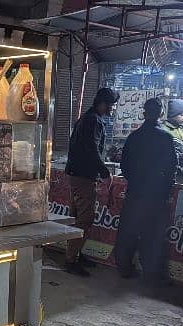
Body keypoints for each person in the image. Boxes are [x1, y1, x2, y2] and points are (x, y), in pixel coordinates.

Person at [115, 98, 178, 281]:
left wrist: (135, 181)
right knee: (152, 234)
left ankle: (125, 268)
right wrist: (165, 189)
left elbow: (124, 165)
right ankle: (151, 272)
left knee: (129, 231)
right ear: (160, 113)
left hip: (135, 192)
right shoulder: (165, 137)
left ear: (144, 113)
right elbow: (172, 167)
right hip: (156, 194)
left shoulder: (134, 137)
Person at [64, 87, 120, 276]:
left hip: (76, 174)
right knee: (84, 219)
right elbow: (92, 149)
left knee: (77, 218)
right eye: (111, 106)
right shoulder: (94, 120)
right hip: (84, 177)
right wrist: (104, 172)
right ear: (103, 104)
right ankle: (71, 260)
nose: (112, 110)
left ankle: (75, 254)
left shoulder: (87, 118)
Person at [161, 99, 183, 167]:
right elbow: (161, 155)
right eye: (182, 115)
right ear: (172, 115)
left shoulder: (179, 129)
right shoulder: (164, 130)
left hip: (180, 170)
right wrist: (182, 156)